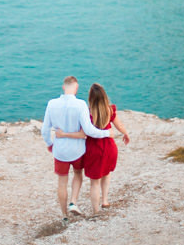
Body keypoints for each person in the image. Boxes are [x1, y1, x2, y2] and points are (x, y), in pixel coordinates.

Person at [42, 76, 113, 222]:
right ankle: (73, 202)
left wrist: (50, 144)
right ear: (76, 88)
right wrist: (107, 133)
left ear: (63, 87)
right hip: (77, 151)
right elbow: (89, 130)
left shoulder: (51, 104)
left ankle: (64, 216)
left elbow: (45, 130)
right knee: (78, 174)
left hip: (60, 150)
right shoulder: (80, 105)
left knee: (62, 182)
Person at [56, 83, 130, 216]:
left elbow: (83, 132)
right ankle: (105, 200)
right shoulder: (110, 110)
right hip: (109, 147)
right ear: (104, 96)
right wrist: (126, 133)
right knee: (107, 173)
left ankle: (96, 211)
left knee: (94, 182)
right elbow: (119, 125)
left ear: (91, 98)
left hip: (93, 150)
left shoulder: (87, 113)